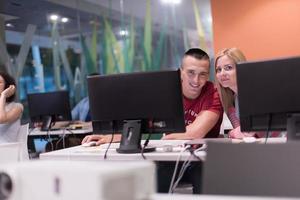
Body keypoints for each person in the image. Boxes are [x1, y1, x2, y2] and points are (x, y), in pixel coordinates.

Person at [82, 48, 223, 145]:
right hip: (171, 154)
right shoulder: (166, 90)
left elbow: (195, 133)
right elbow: (142, 124)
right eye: (191, 72)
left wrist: (167, 138)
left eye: (202, 74)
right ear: (181, 72)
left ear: (208, 75)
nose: (196, 81)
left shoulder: (213, 93)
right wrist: (111, 137)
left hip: (202, 159)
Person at [215, 47, 279, 139]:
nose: (222, 73)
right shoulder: (230, 101)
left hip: (281, 142)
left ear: (241, 67)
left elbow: (251, 131)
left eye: (228, 68)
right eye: (218, 69)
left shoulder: (259, 93)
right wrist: (232, 133)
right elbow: (240, 132)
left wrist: (235, 133)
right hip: (257, 146)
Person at [0, 71, 23, 143]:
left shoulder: (17, 107)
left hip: (9, 151)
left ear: (7, 86)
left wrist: (3, 96)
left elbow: (2, 119)